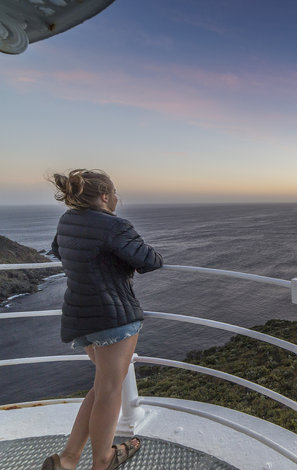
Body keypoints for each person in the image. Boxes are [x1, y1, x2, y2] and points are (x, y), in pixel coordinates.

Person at [43, 169, 163, 470]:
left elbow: (59, 250)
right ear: (105, 196)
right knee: (110, 389)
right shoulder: (115, 225)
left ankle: (68, 458)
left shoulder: (67, 221)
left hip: (79, 313)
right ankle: (103, 460)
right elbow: (151, 261)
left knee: (102, 386)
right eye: (114, 193)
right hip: (112, 316)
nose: (118, 198)